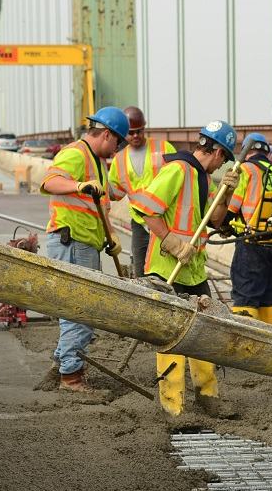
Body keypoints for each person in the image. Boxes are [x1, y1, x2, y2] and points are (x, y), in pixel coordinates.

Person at [129, 121, 240, 416]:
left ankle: (208, 395)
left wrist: (226, 193)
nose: (222, 165)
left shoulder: (204, 178)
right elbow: (145, 210)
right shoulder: (178, 170)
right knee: (170, 334)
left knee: (206, 330)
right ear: (217, 151)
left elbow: (215, 220)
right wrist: (171, 241)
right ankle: (172, 405)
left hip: (193, 270)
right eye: (223, 159)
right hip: (168, 268)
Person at [40, 106, 129, 392]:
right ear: (107, 134)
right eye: (118, 143)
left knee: (79, 308)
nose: (116, 150)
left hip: (85, 243)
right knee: (80, 309)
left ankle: (61, 365)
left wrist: (110, 234)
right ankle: (71, 377)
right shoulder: (76, 153)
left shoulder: (98, 163)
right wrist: (79, 185)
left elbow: (100, 205)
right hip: (72, 241)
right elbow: (49, 182)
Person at [107, 106, 175, 277]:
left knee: (167, 269)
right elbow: (115, 193)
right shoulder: (119, 159)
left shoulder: (163, 147)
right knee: (141, 269)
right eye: (131, 132)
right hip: (140, 222)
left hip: (165, 219)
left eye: (139, 131)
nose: (136, 135)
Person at [225, 133, 272, 324]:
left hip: (252, 240)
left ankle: (245, 339)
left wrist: (224, 225)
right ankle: (271, 337)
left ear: (246, 150)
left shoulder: (245, 169)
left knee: (246, 294)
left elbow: (232, 206)